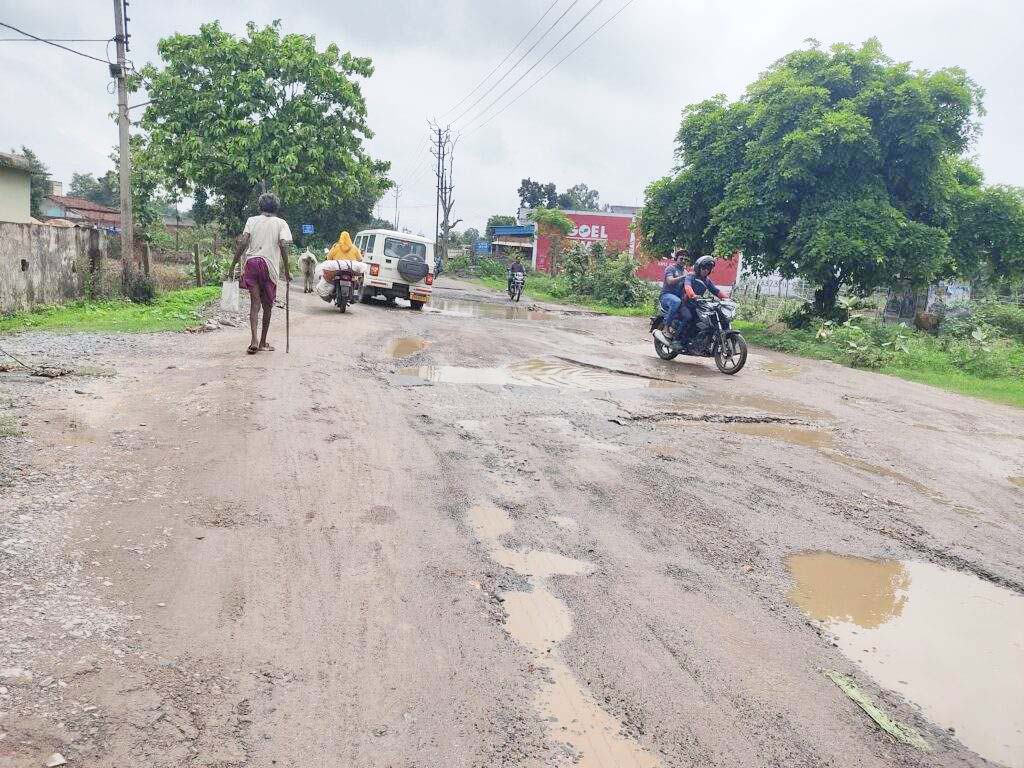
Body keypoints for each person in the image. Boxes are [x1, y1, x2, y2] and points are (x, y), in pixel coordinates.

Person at [227, 193, 292, 354]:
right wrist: (287, 270)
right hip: (269, 266)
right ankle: (262, 342)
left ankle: (253, 340)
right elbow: (283, 245)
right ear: (276, 207)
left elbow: (243, 242)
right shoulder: (281, 223)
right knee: (267, 306)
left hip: (252, 263)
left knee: (255, 304)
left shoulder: (251, 220)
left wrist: (233, 265)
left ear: (260, 206)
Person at [653, 249, 689, 345]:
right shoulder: (670, 268)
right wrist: (683, 277)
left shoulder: (686, 271)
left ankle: (681, 338)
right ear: (676, 258)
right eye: (681, 258)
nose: (683, 261)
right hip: (666, 296)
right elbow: (669, 281)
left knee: (690, 314)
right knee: (676, 301)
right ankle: (666, 327)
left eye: (686, 259)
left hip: (679, 298)